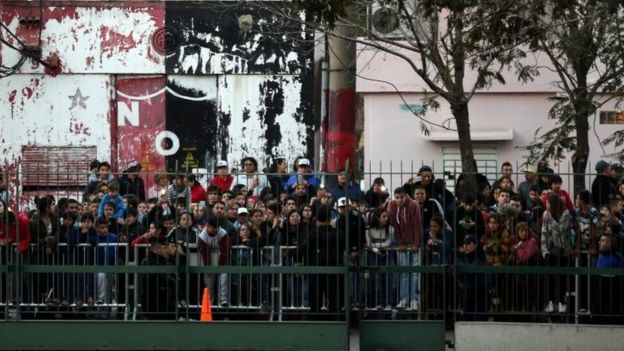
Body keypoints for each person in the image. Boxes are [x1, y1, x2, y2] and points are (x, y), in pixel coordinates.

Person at [388, 186, 422, 311]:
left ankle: (414, 299)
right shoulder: (392, 205)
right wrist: (399, 243)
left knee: (414, 272)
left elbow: (417, 225)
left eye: (401, 197)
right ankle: (404, 299)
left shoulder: (414, 205)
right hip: (401, 244)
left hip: (414, 243)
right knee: (403, 272)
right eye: (397, 197)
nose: (399, 200)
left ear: (406, 196)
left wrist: (416, 244)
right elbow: (394, 226)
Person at [541, 194, 573, 314]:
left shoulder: (566, 214)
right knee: (550, 277)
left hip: (564, 251)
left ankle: (561, 301)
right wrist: (544, 251)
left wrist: (550, 218)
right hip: (552, 250)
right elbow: (544, 233)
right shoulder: (547, 215)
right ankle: (550, 301)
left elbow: (561, 230)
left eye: (548, 203)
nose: (546, 205)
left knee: (562, 278)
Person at [139, 238, 187, 320]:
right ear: (157, 249)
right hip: (156, 307)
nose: (166, 250)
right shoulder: (150, 263)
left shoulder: (164, 261)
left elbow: (173, 279)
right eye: (164, 248)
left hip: (166, 306)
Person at [198, 217, 231, 307]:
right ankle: (209, 302)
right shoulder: (202, 236)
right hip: (209, 260)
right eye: (212, 227)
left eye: (216, 228)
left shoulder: (223, 233)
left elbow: (225, 251)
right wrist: (208, 267)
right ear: (207, 226)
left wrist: (219, 266)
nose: (214, 230)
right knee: (208, 279)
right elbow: (205, 254)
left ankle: (223, 300)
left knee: (224, 276)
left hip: (221, 259)